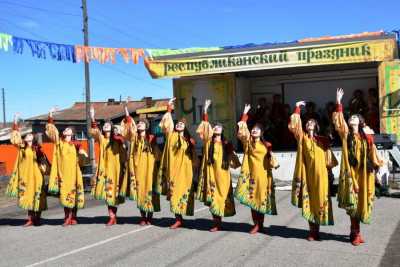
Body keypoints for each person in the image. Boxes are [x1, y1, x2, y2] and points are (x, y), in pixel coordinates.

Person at [333, 88, 383, 246]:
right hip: (351, 174)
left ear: (360, 121)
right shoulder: (346, 134)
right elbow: (339, 122)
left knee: (362, 202)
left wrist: (378, 169)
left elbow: (373, 154)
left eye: (355, 117)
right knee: (353, 203)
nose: (351, 118)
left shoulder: (366, 136)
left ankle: (356, 232)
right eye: (351, 117)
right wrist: (339, 103)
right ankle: (354, 234)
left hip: (364, 174)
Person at [288, 101, 338, 240]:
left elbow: (330, 161)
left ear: (316, 126)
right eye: (308, 122)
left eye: (312, 122)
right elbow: (294, 126)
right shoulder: (302, 138)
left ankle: (318, 229)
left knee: (320, 200)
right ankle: (312, 232)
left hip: (321, 176)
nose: (309, 123)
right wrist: (297, 108)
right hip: (306, 175)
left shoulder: (322, 140)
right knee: (309, 201)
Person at [196, 99, 241, 232]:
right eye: (215, 126)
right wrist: (205, 110)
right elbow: (205, 126)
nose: (216, 127)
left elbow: (234, 161)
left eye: (219, 126)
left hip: (222, 175)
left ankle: (219, 221)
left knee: (221, 197)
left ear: (222, 130)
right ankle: (216, 223)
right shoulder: (208, 142)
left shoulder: (227, 144)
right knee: (213, 198)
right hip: (210, 174)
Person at [235, 104, 279, 234]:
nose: (254, 130)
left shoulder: (266, 145)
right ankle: (256, 224)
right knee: (253, 199)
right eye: (253, 129)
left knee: (261, 200)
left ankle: (261, 224)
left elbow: (272, 162)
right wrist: (244, 114)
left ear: (262, 132)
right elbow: (242, 132)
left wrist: (270, 154)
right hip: (251, 176)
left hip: (264, 176)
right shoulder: (248, 142)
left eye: (257, 129)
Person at [158, 98, 197, 229]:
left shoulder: (188, 139)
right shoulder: (171, 136)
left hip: (185, 171)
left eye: (181, 124)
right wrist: (169, 107)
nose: (178, 125)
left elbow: (193, 155)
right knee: (174, 193)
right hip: (173, 170)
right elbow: (166, 124)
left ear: (185, 127)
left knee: (183, 193)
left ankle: (182, 215)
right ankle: (178, 218)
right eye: (177, 124)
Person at [46, 108, 87, 226]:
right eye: (65, 129)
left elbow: (83, 161)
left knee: (74, 195)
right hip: (63, 174)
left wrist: (83, 153)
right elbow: (52, 132)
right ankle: (66, 217)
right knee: (65, 195)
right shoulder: (59, 143)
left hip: (74, 174)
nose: (65, 130)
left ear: (72, 133)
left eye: (68, 129)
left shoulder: (77, 145)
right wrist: (50, 116)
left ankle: (73, 217)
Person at [121, 106, 162, 226]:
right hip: (138, 169)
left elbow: (158, 154)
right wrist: (127, 112)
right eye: (138, 123)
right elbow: (130, 126)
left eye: (142, 123)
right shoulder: (134, 138)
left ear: (146, 126)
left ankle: (150, 216)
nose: (139, 125)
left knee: (150, 191)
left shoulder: (151, 138)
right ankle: (143, 217)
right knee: (140, 192)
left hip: (150, 169)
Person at [6, 113, 48, 226]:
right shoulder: (22, 147)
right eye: (27, 135)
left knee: (37, 196)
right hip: (26, 177)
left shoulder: (38, 149)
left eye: (30, 135)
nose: (27, 136)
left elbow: (44, 162)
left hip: (37, 177)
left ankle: (37, 218)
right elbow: (15, 139)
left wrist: (42, 166)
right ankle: (30, 219)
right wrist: (15, 121)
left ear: (33, 138)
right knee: (28, 196)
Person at [90, 106, 127, 226]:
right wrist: (92, 116)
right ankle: (112, 216)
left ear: (111, 128)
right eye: (104, 125)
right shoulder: (101, 139)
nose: (105, 126)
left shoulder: (117, 139)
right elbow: (95, 132)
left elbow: (123, 152)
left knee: (113, 194)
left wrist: (124, 165)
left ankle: (113, 216)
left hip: (115, 169)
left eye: (108, 125)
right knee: (108, 194)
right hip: (104, 169)